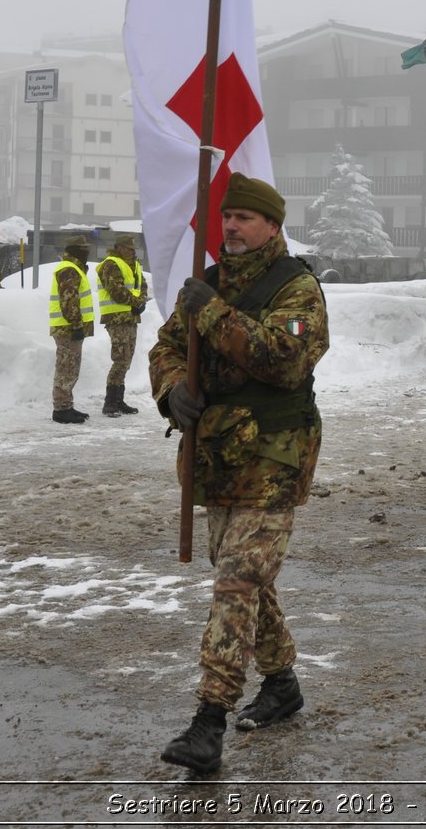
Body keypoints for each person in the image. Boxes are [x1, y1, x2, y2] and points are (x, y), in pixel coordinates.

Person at [149, 175, 329, 775]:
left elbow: (283, 359)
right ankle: (281, 683)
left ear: (273, 226)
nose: (230, 228)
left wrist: (214, 312)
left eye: (245, 219)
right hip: (218, 455)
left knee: (236, 581)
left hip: (276, 457)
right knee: (246, 578)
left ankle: (208, 722)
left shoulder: (297, 288)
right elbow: (167, 346)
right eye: (226, 217)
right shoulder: (211, 285)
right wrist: (172, 389)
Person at [96, 233, 148, 417]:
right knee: (120, 358)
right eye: (129, 248)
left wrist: (141, 302)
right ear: (119, 248)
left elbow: (143, 286)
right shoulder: (111, 264)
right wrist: (136, 303)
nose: (132, 252)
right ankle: (110, 402)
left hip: (130, 318)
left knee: (127, 358)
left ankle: (119, 400)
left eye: (134, 249)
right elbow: (116, 290)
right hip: (116, 318)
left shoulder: (133, 266)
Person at [49, 233, 96, 424]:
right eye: (84, 250)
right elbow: (68, 301)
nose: (87, 253)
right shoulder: (69, 269)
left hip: (71, 327)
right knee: (66, 368)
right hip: (68, 327)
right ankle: (61, 409)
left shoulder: (74, 268)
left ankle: (66, 405)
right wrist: (76, 324)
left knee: (70, 368)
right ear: (76, 251)